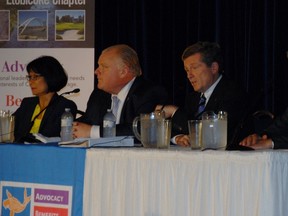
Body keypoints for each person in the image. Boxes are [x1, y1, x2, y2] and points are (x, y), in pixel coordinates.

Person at [156, 41, 248, 148]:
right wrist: (178, 137)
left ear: (213, 68)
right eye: (186, 70)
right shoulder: (193, 97)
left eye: (194, 68)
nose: (189, 76)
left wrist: (174, 111)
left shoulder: (232, 93)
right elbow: (181, 127)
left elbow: (213, 134)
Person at [73, 44, 168, 138]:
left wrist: (92, 132)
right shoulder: (99, 94)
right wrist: (71, 128)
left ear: (123, 72)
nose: (96, 71)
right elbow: (88, 121)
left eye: (104, 67)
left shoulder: (149, 92)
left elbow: (142, 128)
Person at [13, 56, 77, 142]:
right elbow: (9, 128)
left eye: (35, 77)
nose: (30, 82)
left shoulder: (65, 106)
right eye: (29, 77)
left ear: (50, 77)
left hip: (49, 153)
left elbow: (60, 137)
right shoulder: (27, 104)